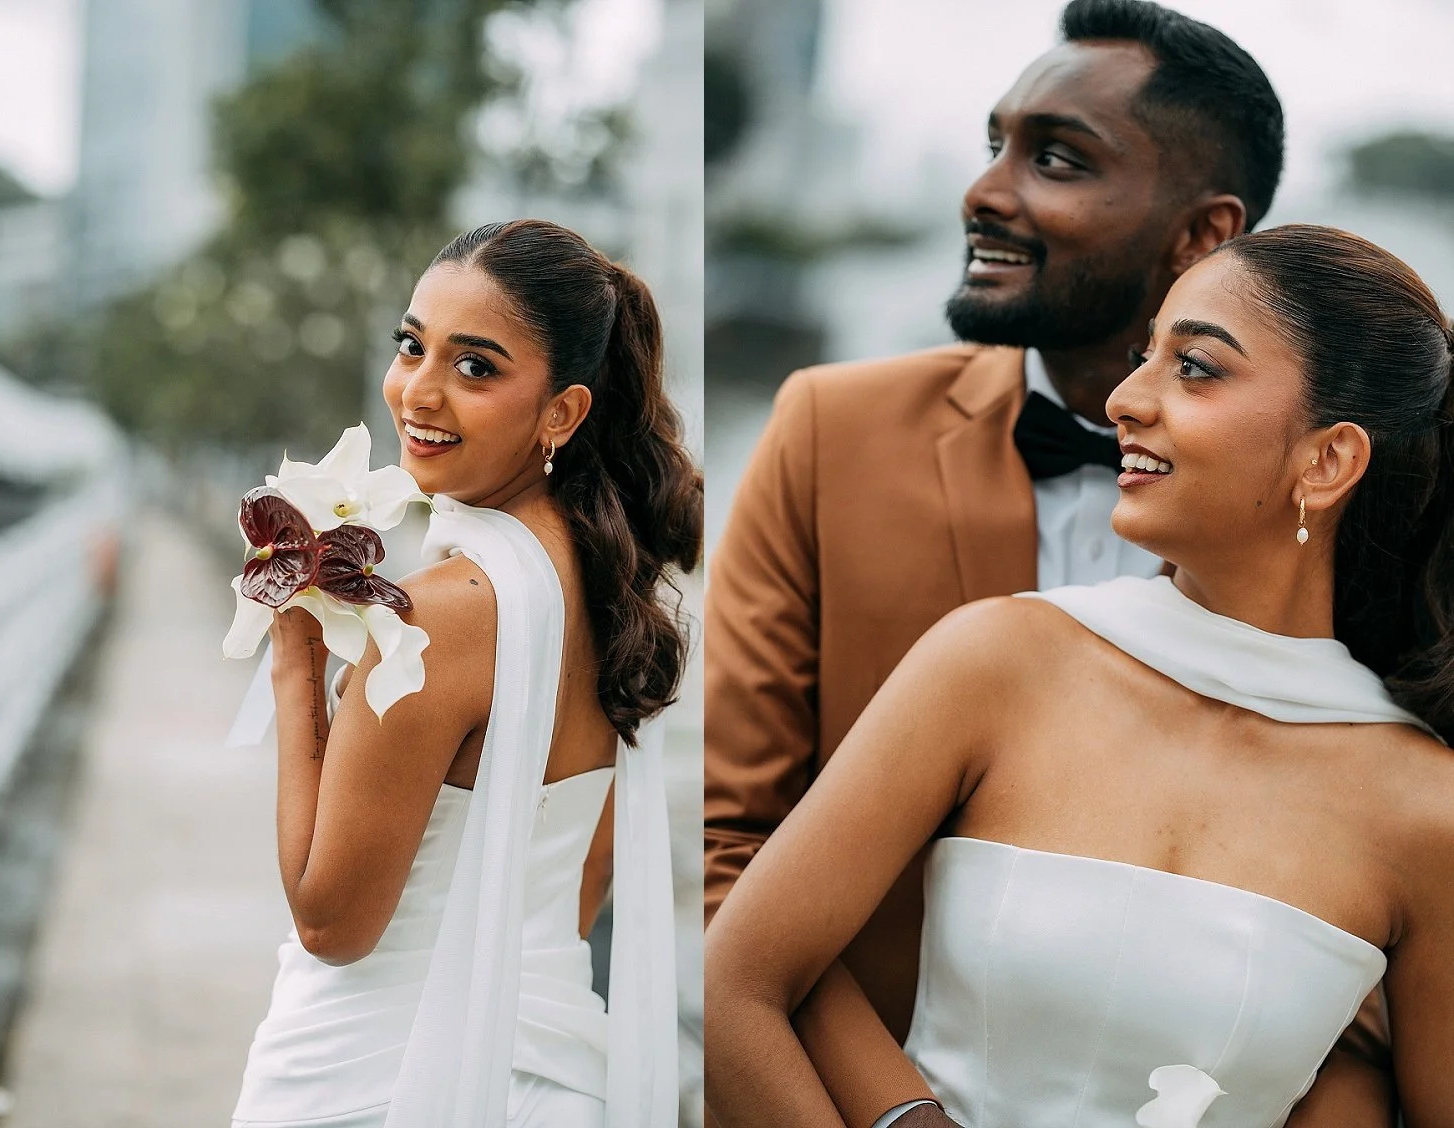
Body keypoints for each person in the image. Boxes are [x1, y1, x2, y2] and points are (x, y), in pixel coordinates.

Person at [703, 1, 1403, 1122]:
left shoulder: (1358, 562)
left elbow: (1356, 985)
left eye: (1059, 160)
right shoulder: (830, 433)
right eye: (995, 146)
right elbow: (726, 843)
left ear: (1199, 235)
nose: (986, 191)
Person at [230, 219, 702, 1128]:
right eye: (412, 346)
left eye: (475, 367)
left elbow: (332, 924)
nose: (419, 391)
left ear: (561, 412)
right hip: (556, 1078)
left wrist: (296, 661)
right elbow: (582, 884)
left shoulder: (439, 612)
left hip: (380, 1076)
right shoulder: (607, 590)